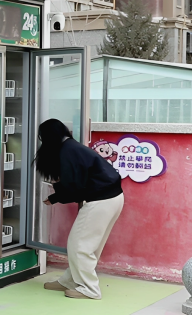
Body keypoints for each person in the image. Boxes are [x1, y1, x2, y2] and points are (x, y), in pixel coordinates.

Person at [35, 118, 125, 300]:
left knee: (79, 246)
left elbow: (73, 187)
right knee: (88, 245)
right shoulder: (72, 147)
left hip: (100, 201)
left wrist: (55, 197)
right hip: (113, 198)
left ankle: (89, 289)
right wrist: (58, 195)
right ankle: (70, 281)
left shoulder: (67, 152)